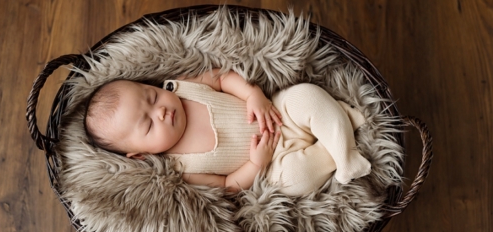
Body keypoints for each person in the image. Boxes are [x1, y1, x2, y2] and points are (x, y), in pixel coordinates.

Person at [84, 69, 370, 195]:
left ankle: (343, 141)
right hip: (273, 163)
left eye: (151, 96)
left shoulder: (183, 87)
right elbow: (227, 186)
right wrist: (257, 163)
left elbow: (221, 77)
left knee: (305, 95)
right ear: (140, 155)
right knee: (293, 180)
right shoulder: (179, 168)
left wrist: (253, 95)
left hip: (279, 114)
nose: (160, 111)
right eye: (148, 125)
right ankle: (337, 145)